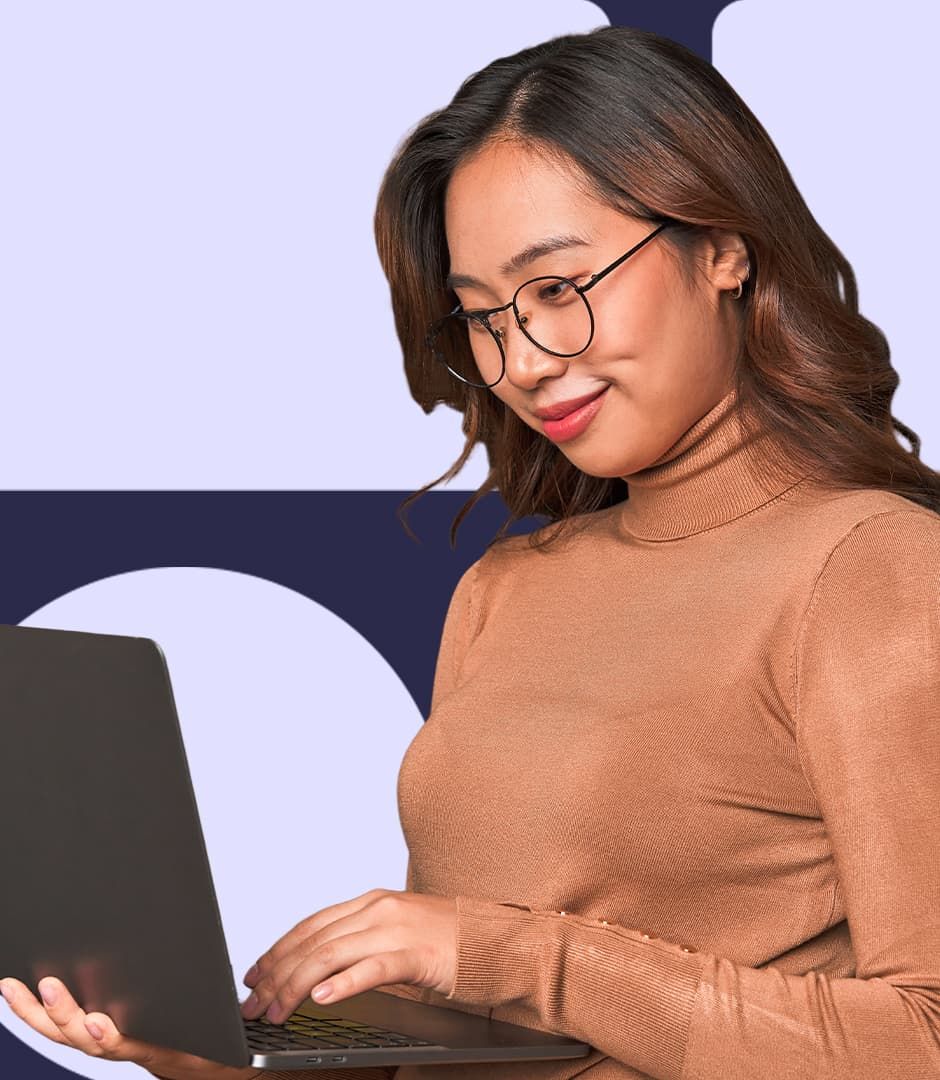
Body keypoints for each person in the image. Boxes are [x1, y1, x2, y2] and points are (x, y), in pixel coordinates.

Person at [3, 22, 939, 1080]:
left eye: (558, 289)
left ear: (723, 247)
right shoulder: (504, 589)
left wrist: (497, 951)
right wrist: (198, 1055)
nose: (523, 361)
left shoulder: (871, 570)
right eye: (481, 317)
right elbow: (472, 1049)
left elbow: (921, 1038)